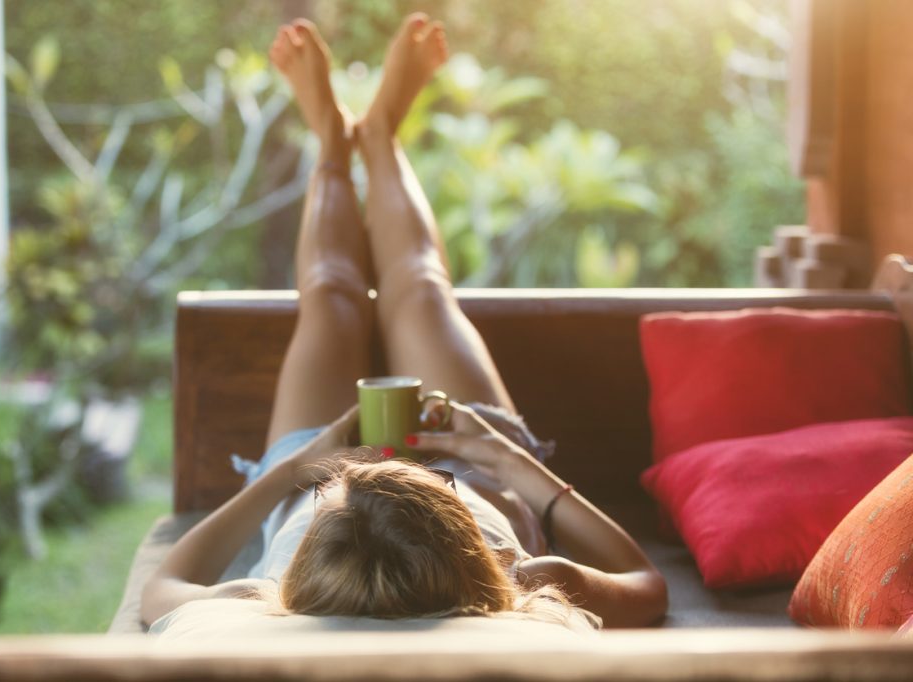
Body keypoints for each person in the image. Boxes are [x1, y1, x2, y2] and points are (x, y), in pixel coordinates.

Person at [141, 14, 667, 632]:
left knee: (331, 297)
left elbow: (160, 590)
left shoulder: (275, 596)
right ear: (477, 550)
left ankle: (332, 141)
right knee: (418, 289)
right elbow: (647, 586)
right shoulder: (515, 584)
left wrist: (298, 469)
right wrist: (500, 459)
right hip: (474, 463)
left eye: (334, 488)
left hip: (324, 467)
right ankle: (380, 136)